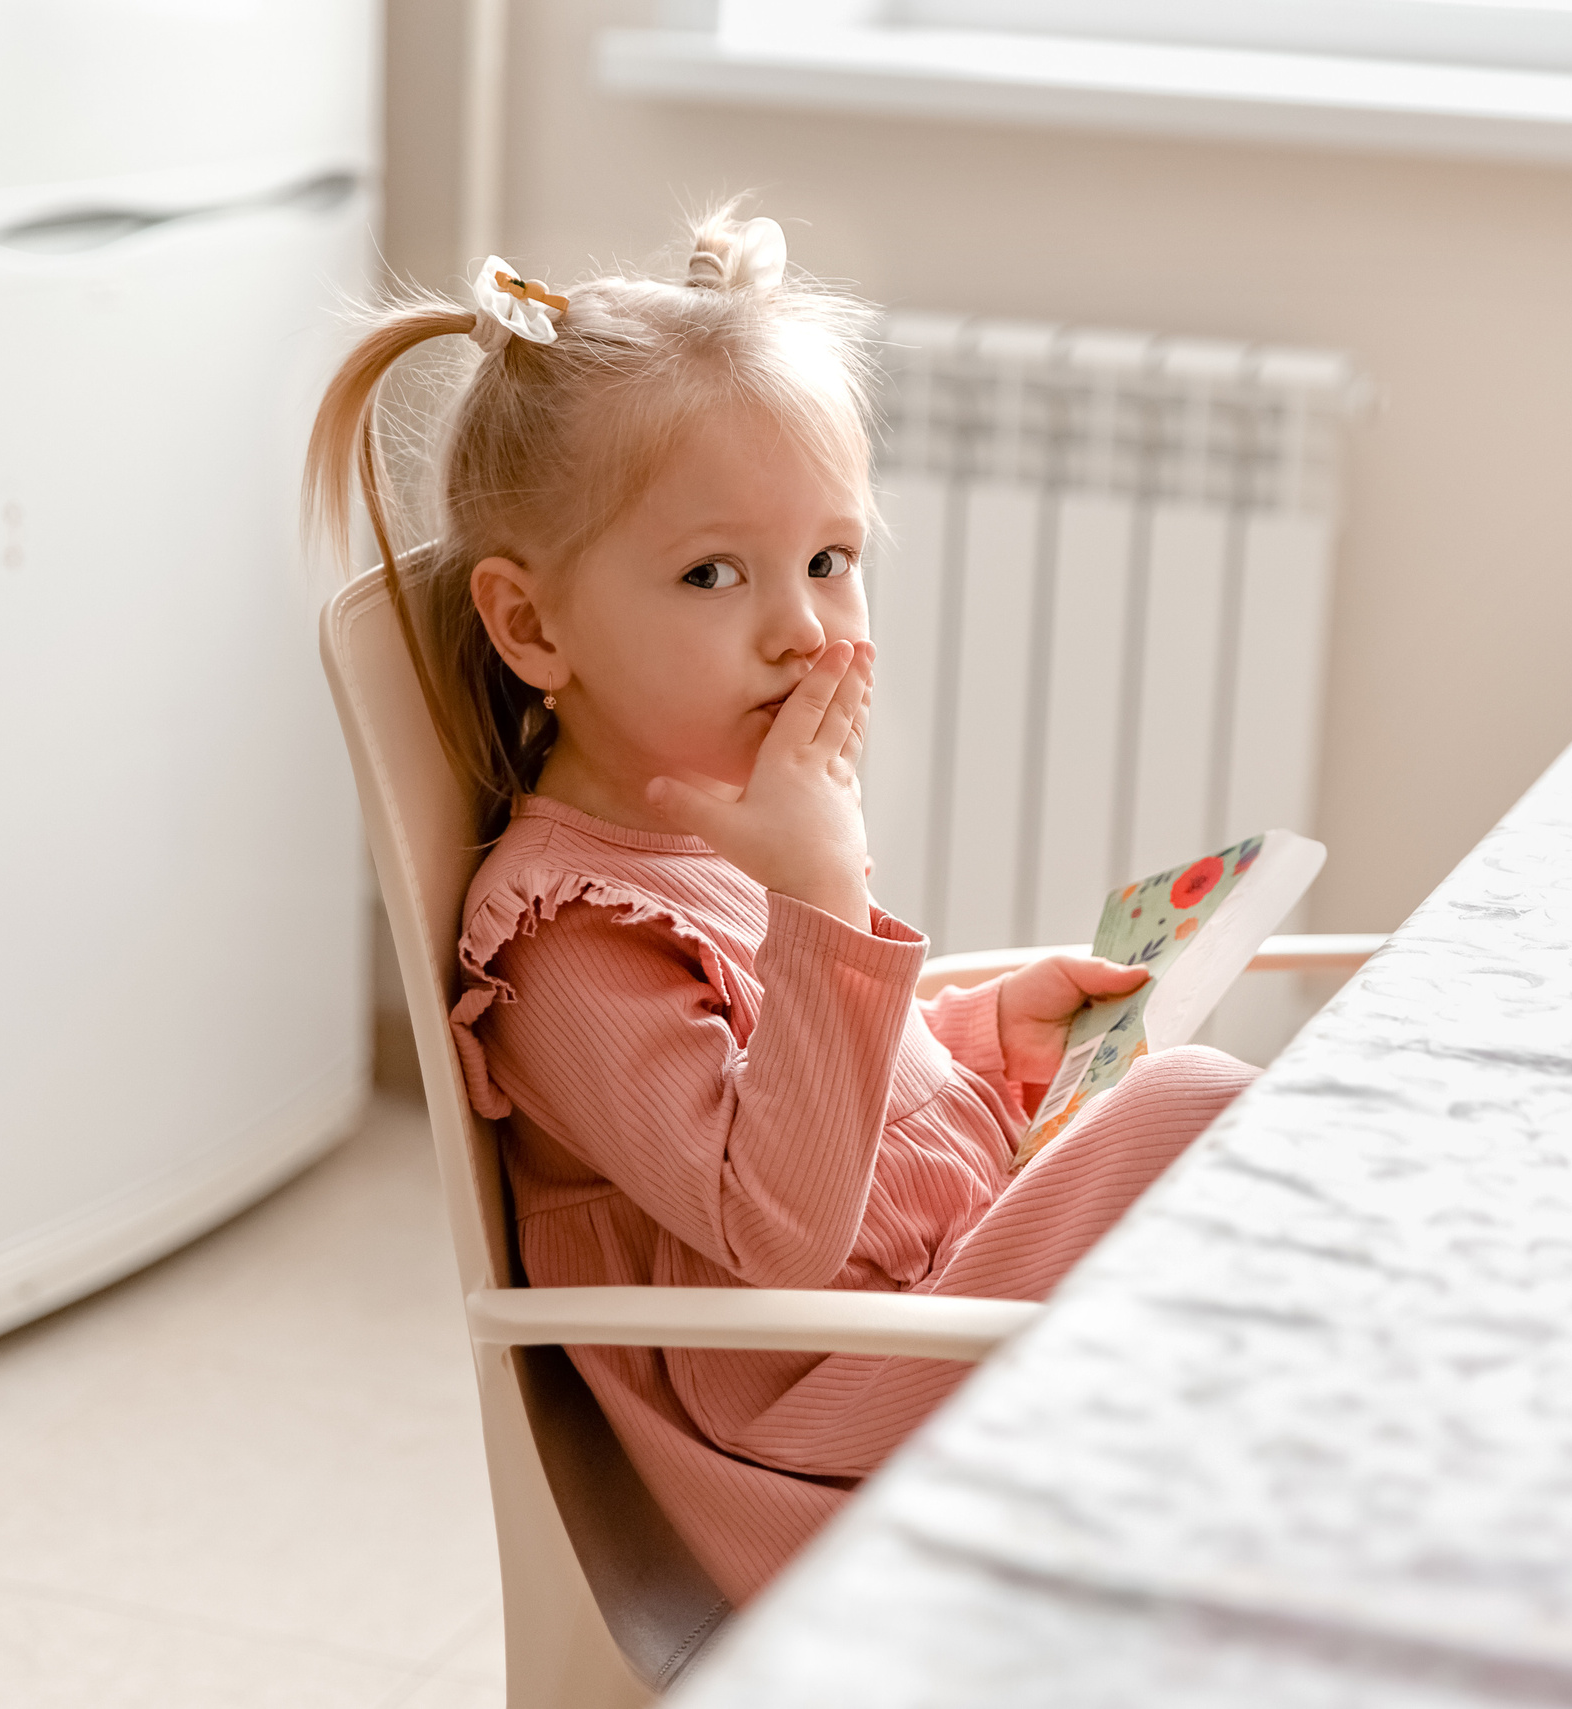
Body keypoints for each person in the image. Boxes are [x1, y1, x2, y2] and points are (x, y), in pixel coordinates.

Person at [304, 204, 1258, 1605]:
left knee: (1191, 1161)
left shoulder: (723, 833)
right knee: (1201, 1110)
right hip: (805, 1430)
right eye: (713, 573)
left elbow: (803, 1078)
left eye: (830, 558)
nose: (805, 627)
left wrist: (986, 1032)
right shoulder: (568, 937)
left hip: (902, 1327)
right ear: (531, 626)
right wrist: (820, 886)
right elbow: (778, 1228)